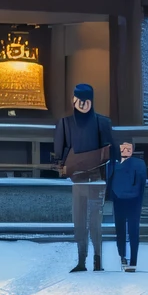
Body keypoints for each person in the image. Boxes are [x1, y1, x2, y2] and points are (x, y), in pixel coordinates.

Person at [52, 82, 115, 272]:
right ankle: (81, 260)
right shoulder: (65, 123)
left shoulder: (102, 123)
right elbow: (59, 152)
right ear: (73, 100)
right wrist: (63, 168)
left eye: (86, 100)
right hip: (76, 179)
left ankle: (97, 260)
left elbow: (109, 151)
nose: (82, 104)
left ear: (91, 101)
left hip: (96, 179)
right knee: (79, 221)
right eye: (79, 100)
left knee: (95, 222)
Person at [106, 140, 147, 271]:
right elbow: (143, 184)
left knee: (120, 230)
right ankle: (133, 261)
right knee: (134, 231)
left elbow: (109, 181)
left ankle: (123, 257)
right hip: (135, 201)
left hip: (119, 200)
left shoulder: (112, 164)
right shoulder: (140, 164)